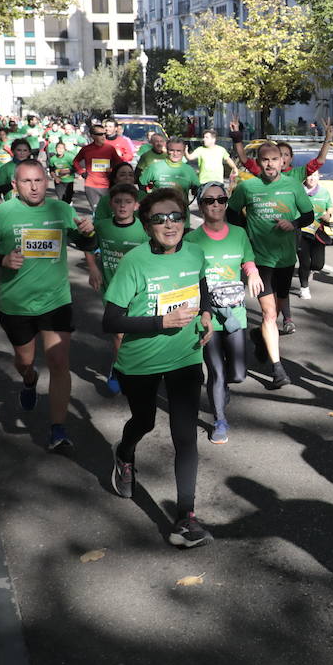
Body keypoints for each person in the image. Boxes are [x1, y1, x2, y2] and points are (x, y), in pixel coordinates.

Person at [102, 188, 214, 548]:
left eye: (176, 216)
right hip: (141, 361)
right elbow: (111, 320)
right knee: (145, 421)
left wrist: (208, 314)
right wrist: (160, 322)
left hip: (186, 356)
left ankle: (186, 518)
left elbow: (202, 287)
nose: (170, 225)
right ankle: (124, 452)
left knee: (186, 436)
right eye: (159, 219)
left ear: (185, 218)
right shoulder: (135, 261)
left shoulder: (195, 252)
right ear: (146, 224)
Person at [0, 159, 97, 451]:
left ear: (47, 181)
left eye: (39, 180)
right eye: (26, 181)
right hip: (17, 305)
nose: (34, 186)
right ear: (15, 185)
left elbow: (85, 243)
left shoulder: (60, 209)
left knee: (60, 362)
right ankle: (28, 381)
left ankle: (58, 430)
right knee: (25, 362)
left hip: (56, 301)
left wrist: (88, 232)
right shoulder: (2, 214)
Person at [226, 141, 313, 387]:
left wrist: (294, 224)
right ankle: (278, 371)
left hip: (285, 259)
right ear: (260, 162)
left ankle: (258, 335)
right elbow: (232, 214)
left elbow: (309, 215)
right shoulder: (248, 187)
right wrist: (246, 234)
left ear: (282, 162)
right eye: (265, 160)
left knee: (277, 305)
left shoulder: (294, 186)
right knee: (270, 314)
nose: (270, 164)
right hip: (259, 259)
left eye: (275, 159)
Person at [186, 181, 262, 444]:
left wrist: (252, 273)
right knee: (216, 370)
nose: (216, 204)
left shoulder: (239, 234)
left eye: (220, 199)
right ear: (200, 204)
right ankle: (219, 419)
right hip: (206, 315)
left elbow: (248, 259)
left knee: (238, 374)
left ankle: (222, 390)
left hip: (235, 314)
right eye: (209, 200)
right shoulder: (191, 239)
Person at [83, 183, 149, 394]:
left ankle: (140, 367)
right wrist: (93, 268)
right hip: (111, 288)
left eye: (128, 202)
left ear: (136, 205)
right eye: (118, 202)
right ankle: (119, 368)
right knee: (119, 333)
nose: (122, 206)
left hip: (140, 290)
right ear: (110, 204)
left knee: (138, 332)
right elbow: (88, 245)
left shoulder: (144, 229)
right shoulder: (101, 226)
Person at [295, 164, 333, 301]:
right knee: (304, 261)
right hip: (301, 231)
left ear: (319, 177)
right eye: (310, 175)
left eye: (315, 175)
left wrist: (327, 215)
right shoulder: (298, 191)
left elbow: (330, 208)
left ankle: (310, 271)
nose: (312, 178)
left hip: (318, 232)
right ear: (305, 177)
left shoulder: (324, 192)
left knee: (318, 264)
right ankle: (304, 287)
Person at [72, 125, 121, 214]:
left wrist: (113, 170)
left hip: (107, 186)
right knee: (96, 212)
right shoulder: (86, 149)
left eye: (104, 134)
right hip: (91, 186)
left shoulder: (110, 149)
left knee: (108, 212)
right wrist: (81, 172)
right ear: (93, 136)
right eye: (100, 134)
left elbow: (120, 163)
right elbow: (75, 161)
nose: (103, 136)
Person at [0, 138, 33, 205]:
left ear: (29, 152)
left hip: (30, 204)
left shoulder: (35, 167)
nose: (22, 153)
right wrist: (11, 185)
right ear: (13, 151)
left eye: (25, 150)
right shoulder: (6, 168)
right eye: (19, 150)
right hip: (12, 205)